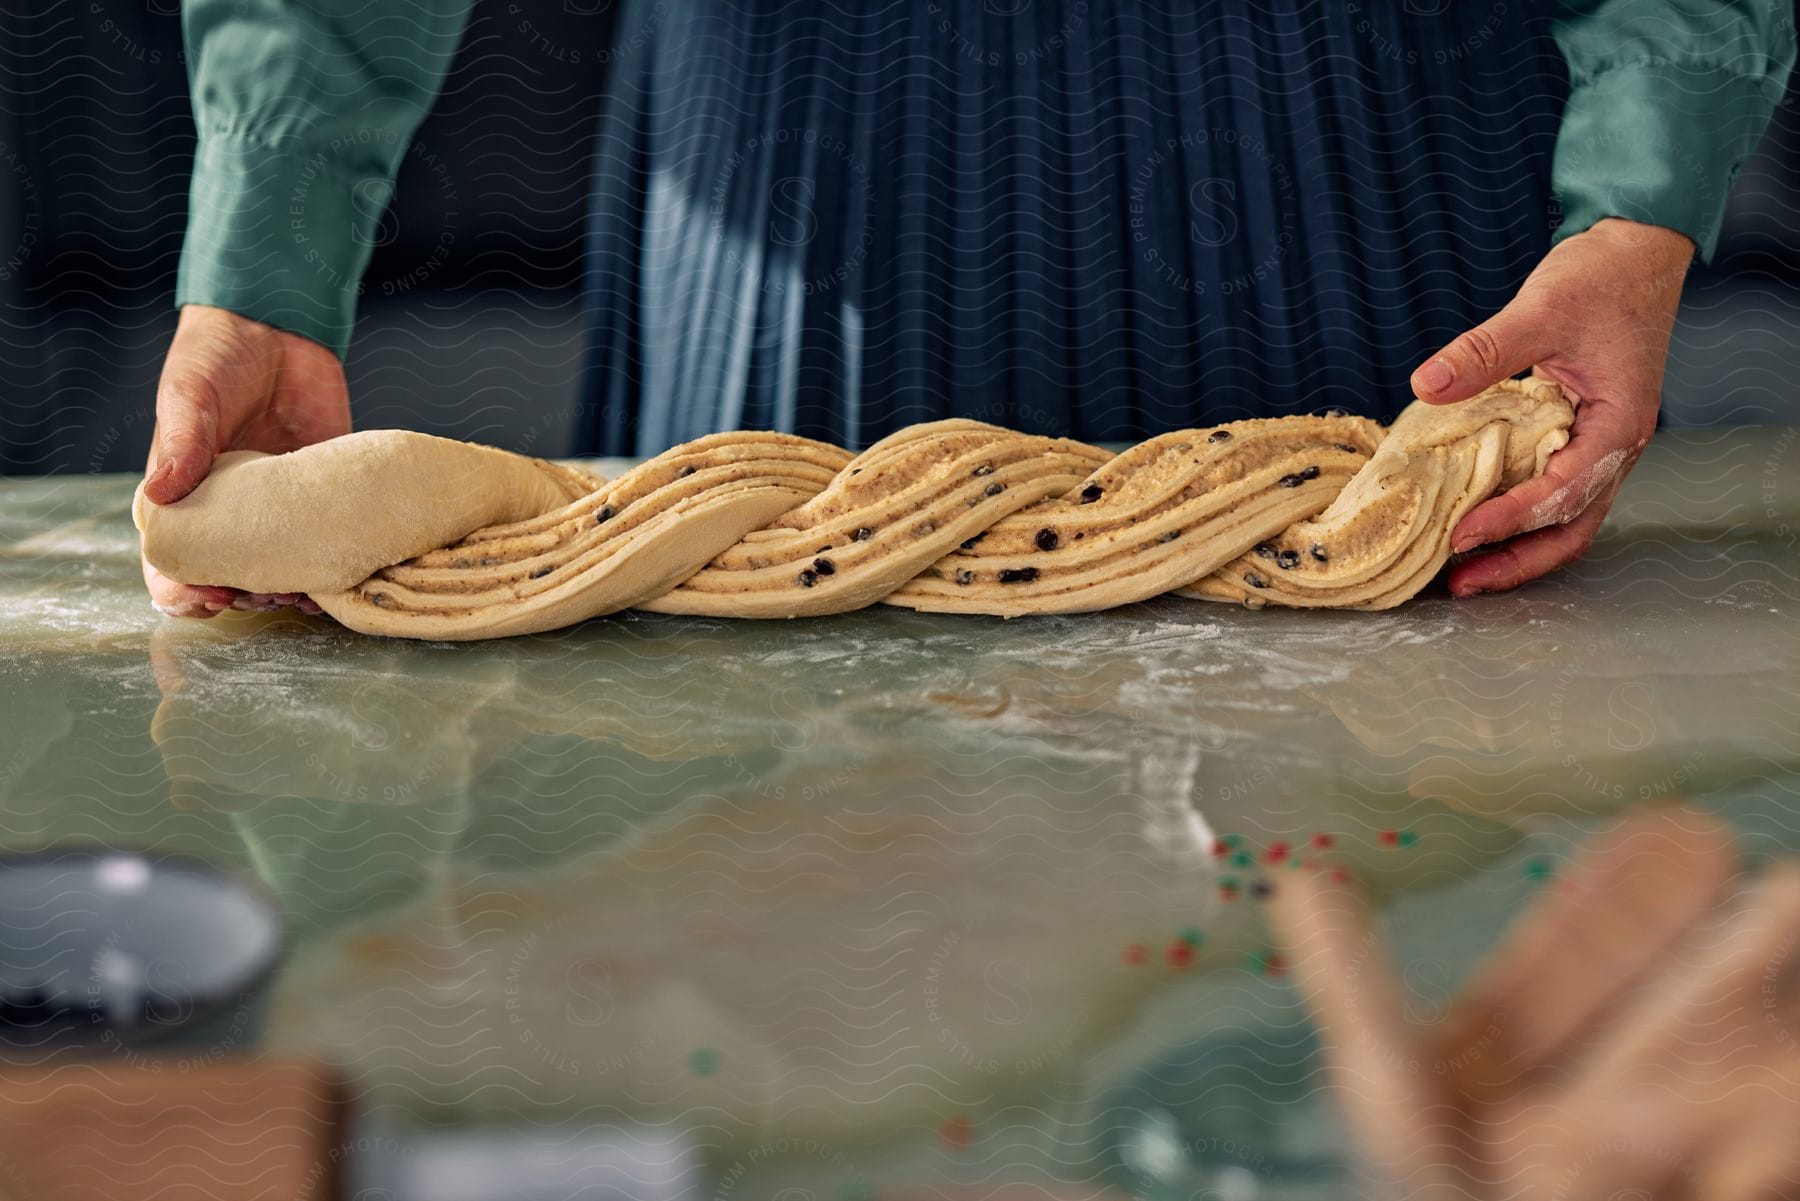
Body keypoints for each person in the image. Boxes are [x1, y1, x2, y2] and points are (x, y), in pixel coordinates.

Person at [140, 1, 1795, 617]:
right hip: (810, 185)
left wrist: (1650, 167)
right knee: (796, 920)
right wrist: (268, 225)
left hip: (1356, 156)